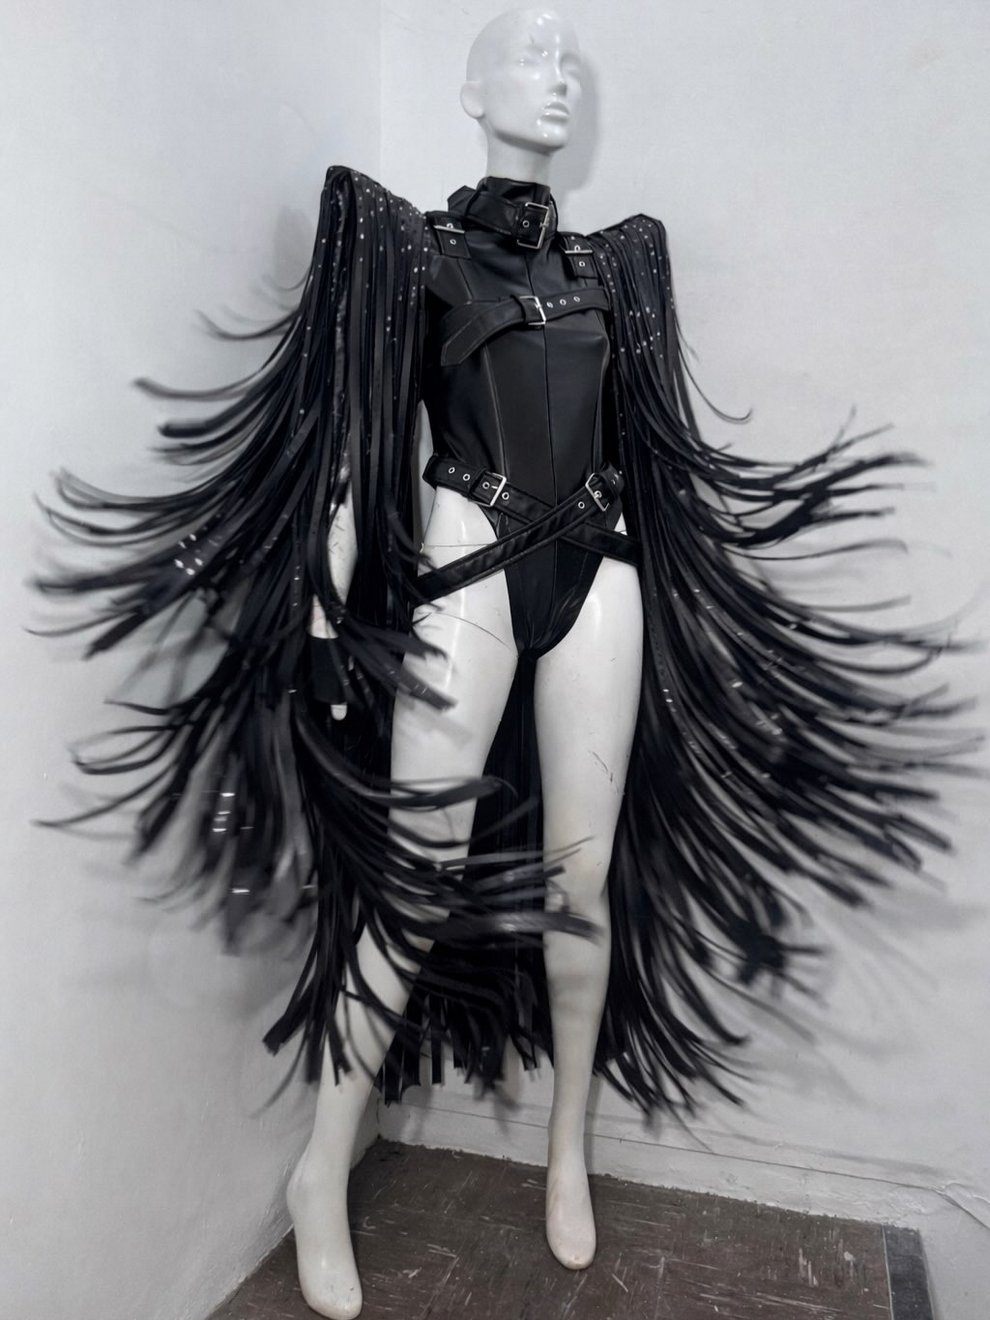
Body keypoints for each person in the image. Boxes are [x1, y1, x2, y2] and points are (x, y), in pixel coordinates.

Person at [38, 9, 966, 1318]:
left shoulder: (614, 267)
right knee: (414, 879)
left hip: (599, 571)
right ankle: (319, 1168)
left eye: (568, 60)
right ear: (472, 91)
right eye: (529, 56)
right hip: (468, 559)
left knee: (583, 883)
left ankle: (566, 1151)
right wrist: (320, 622)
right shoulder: (407, 249)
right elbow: (358, 443)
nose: (556, 76)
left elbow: (644, 442)